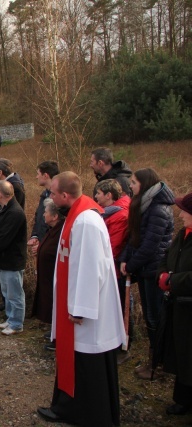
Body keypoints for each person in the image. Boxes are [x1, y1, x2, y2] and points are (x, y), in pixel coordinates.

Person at [37, 171, 125, 426]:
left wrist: (80, 308)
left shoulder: (85, 220)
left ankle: (91, 415)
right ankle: (69, 409)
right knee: (76, 362)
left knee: (88, 366)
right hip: (75, 305)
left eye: (53, 193)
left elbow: (90, 268)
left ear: (65, 195)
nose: (50, 197)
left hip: (86, 313)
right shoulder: (76, 214)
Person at [120, 168, 174, 379]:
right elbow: (134, 236)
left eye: (133, 182)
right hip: (144, 268)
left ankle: (158, 363)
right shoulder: (144, 205)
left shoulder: (159, 209)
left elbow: (150, 246)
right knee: (152, 316)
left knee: (154, 317)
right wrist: (125, 258)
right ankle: (156, 359)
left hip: (153, 270)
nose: (130, 186)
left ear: (144, 184)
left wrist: (131, 265)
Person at [158, 191, 192, 416]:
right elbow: (167, 255)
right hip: (179, 306)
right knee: (182, 355)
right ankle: (183, 400)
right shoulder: (183, 234)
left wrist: (173, 280)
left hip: (189, 305)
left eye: (184, 210)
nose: (180, 214)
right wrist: (162, 274)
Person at [94, 179, 132, 362]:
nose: (95, 197)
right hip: (110, 267)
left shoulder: (119, 216)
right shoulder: (110, 213)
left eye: (99, 193)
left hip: (115, 270)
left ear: (109, 195)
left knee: (120, 308)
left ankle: (122, 347)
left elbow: (113, 246)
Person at [0, 180, 27, 335]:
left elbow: (4, 237)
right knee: (7, 292)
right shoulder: (4, 209)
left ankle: (16, 323)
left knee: (15, 294)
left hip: (12, 259)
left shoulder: (14, 212)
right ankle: (10, 318)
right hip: (3, 259)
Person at [30, 198, 65, 350]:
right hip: (48, 275)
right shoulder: (53, 230)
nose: (43, 215)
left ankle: (58, 337)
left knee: (56, 305)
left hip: (55, 277)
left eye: (45, 212)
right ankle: (54, 332)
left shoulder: (61, 231)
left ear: (55, 216)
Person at [27, 161, 59, 253]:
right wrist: (35, 236)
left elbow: (55, 227)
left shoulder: (58, 198)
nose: (36, 177)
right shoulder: (44, 195)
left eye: (38, 174)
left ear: (45, 175)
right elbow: (39, 217)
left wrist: (43, 245)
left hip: (50, 251)